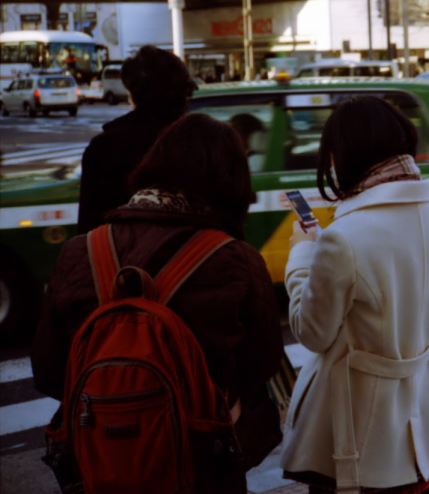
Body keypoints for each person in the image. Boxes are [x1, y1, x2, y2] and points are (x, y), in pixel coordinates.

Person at [33, 113, 284, 493]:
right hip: (202, 465)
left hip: (100, 464)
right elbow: (261, 363)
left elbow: (50, 372)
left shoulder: (81, 251)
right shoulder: (235, 258)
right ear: (232, 182)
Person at [281, 96, 429, 494]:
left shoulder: (342, 240)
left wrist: (302, 252)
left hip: (357, 432)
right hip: (425, 421)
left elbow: (312, 333)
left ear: (346, 155)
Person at [77, 45, 196, 233]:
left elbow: (89, 228)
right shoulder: (203, 142)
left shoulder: (105, 148)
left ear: (132, 95)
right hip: (195, 257)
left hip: (124, 258)